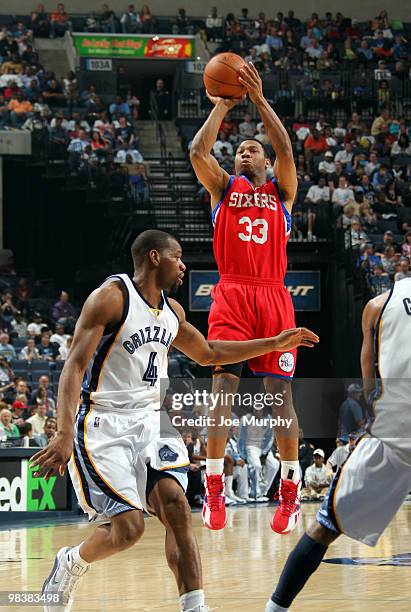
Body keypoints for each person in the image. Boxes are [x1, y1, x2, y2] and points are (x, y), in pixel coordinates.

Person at [32, 230, 318, 612]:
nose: (184, 266)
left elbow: (209, 352)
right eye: (177, 257)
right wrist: (64, 432)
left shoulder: (172, 313)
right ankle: (71, 563)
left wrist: (273, 343)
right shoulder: (111, 297)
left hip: (152, 420)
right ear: (154, 257)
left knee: (177, 507)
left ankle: (195, 606)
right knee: (128, 530)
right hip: (104, 422)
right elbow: (74, 367)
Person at [190, 62, 303, 534]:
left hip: (273, 297)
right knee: (222, 391)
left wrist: (258, 100)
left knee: (280, 397)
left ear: (265, 163)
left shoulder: (283, 192)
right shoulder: (222, 188)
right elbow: (199, 149)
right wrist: (221, 105)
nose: (243, 154)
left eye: (251, 150)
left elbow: (285, 146)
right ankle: (214, 486)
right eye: (238, 150)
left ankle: (290, 491)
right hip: (233, 293)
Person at [264, 278, 411, 612]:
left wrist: (375, 408)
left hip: (395, 430)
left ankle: (275, 609)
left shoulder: (378, 305)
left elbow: (368, 371)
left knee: (324, 528)